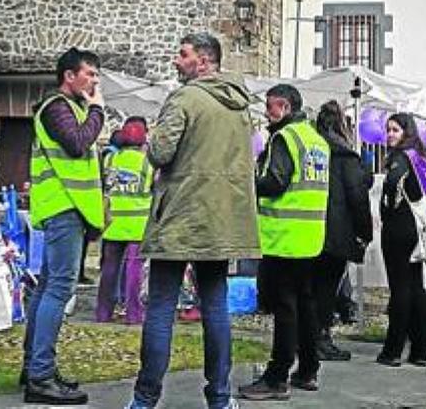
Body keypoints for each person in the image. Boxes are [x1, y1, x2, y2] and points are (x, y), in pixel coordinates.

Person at [125, 33, 259, 409]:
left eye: (182, 55)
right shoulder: (240, 106)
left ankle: (144, 399)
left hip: (182, 215)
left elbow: (162, 153)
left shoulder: (184, 97)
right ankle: (220, 397)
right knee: (215, 307)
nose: (175, 60)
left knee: (163, 306)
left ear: (203, 61)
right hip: (221, 219)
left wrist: (152, 137)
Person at [22, 48, 108, 406]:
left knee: (47, 288)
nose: (93, 82)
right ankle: (40, 375)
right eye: (88, 74)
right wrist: (99, 110)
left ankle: (35, 367)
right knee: (59, 289)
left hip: (70, 208)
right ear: (69, 76)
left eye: (95, 76)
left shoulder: (70, 107)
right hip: (63, 208)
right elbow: (77, 143)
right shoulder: (57, 107)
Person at [241, 85, 331, 400]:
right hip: (310, 236)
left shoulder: (284, 138)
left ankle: (277, 377)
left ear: (283, 106)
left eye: (270, 107)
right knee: (306, 305)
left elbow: (275, 181)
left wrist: (248, 182)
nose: (267, 113)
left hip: (283, 236)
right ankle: (308, 369)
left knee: (285, 308)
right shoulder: (316, 140)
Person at [376, 112, 426, 368]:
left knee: (400, 289)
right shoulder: (420, 156)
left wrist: (388, 204)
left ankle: (393, 350)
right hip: (416, 228)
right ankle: (420, 349)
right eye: (388, 130)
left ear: (406, 132)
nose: (390, 134)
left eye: (395, 130)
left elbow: (393, 183)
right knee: (416, 287)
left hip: (399, 227)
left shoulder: (400, 158)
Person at [312, 101, 374, 363]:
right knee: (326, 289)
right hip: (337, 231)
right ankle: (320, 338)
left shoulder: (311, 151)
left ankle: (305, 337)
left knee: (308, 288)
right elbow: (358, 198)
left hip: (307, 227)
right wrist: (365, 233)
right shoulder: (346, 157)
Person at [96, 118, 153, 325]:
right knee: (134, 270)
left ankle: (103, 312)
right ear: (144, 139)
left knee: (109, 269)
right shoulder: (149, 163)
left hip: (112, 223)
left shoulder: (109, 160)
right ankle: (134, 314)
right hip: (138, 225)